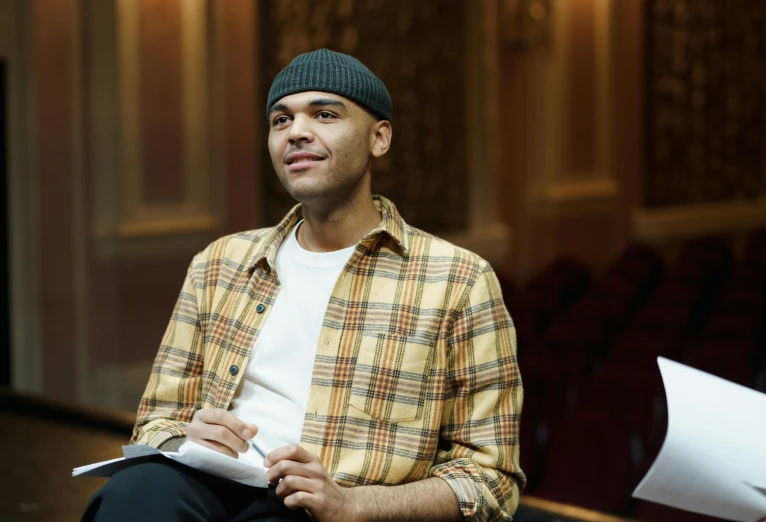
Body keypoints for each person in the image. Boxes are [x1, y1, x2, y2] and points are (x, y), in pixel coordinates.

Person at [82, 48, 525, 522]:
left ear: (379, 138)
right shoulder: (221, 264)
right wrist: (182, 438)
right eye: (280, 120)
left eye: (325, 114)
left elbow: (490, 481)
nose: (296, 132)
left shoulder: (457, 280)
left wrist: (354, 505)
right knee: (134, 493)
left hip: (337, 510)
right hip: (213, 487)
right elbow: (156, 420)